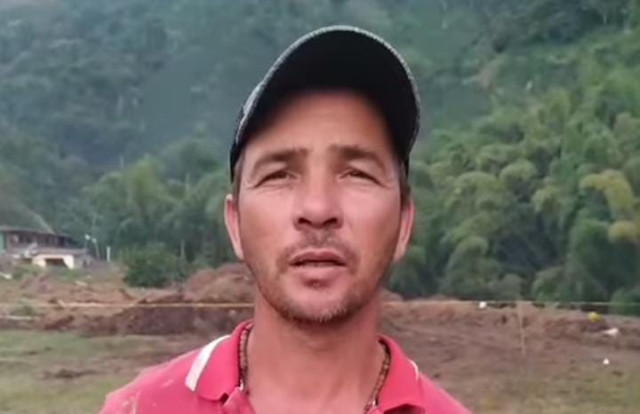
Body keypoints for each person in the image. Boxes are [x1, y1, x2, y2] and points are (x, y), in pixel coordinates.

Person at [99, 25, 470, 414]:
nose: (317, 209)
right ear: (235, 224)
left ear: (404, 223)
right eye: (279, 175)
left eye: (357, 174)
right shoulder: (141, 408)